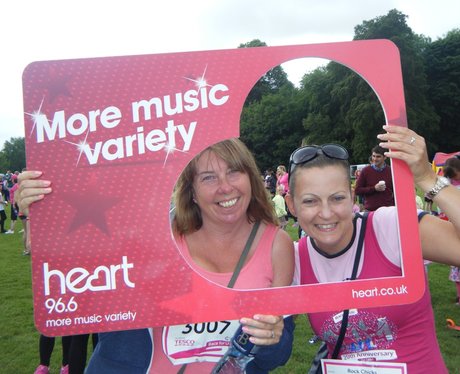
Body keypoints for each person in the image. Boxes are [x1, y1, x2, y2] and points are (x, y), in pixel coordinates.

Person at [16, 138, 295, 373]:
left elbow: (277, 354)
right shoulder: (156, 237)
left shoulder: (277, 245)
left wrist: (272, 338)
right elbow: (74, 281)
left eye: (234, 172)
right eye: (208, 177)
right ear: (193, 192)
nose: (225, 186)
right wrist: (45, 210)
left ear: (251, 177)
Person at [285, 125, 460, 372]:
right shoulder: (294, 259)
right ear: (291, 205)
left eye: (337, 198)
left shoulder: (388, 228)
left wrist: (427, 178)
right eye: (310, 201)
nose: (326, 213)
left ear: (351, 195)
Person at [441, 157, 460, 305]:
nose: (453, 178)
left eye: (454, 175)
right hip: (452, 227)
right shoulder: (445, 183)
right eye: (450, 176)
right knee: (456, 264)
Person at [354, 145, 395, 211]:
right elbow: (357, 190)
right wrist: (374, 188)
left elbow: (396, 191)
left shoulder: (391, 171)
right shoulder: (365, 171)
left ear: (385, 157)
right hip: (371, 211)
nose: (375, 159)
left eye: (378, 156)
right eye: (373, 156)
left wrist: (392, 205)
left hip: (388, 211)